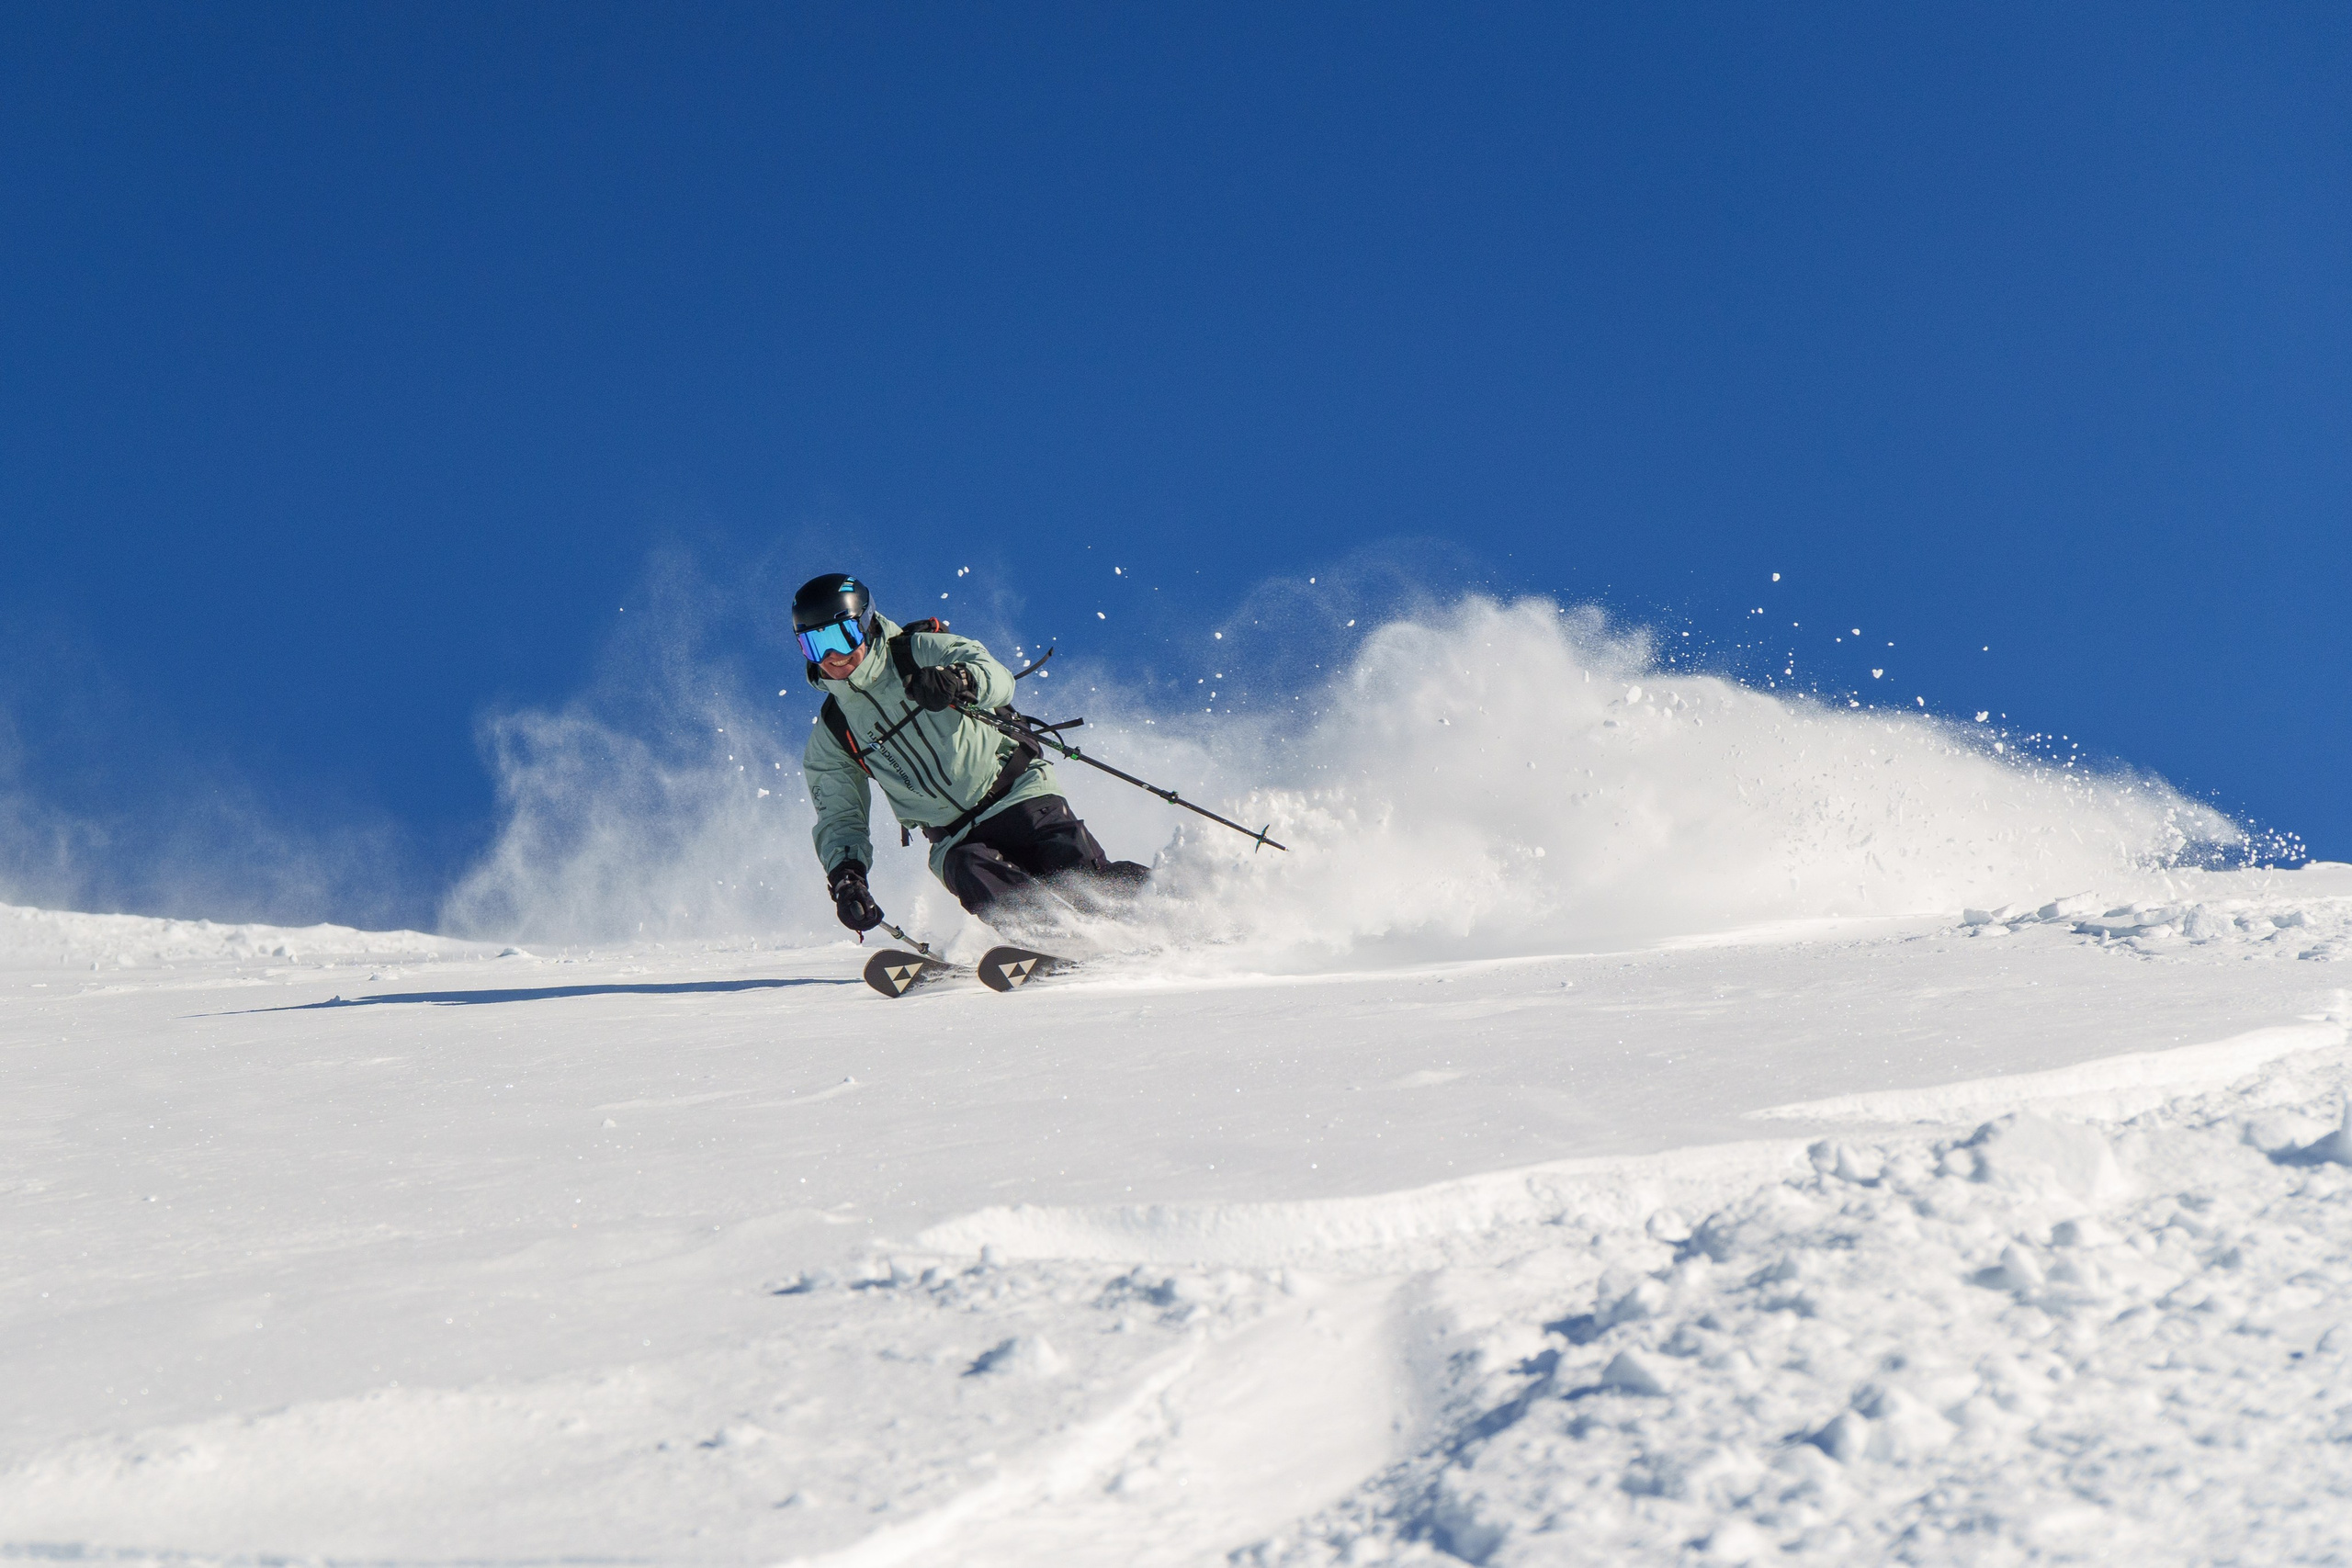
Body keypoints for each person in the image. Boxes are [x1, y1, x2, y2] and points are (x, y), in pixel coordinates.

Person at [793, 572, 1149, 936]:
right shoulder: (835, 732)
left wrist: (958, 680)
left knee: (1079, 876)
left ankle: (1170, 905)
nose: (833, 656)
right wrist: (846, 876)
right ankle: (1052, 941)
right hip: (954, 838)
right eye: (815, 645)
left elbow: (997, 676)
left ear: (865, 625)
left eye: (840, 636)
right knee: (970, 871)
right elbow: (840, 815)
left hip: (1018, 794)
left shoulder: (919, 652)